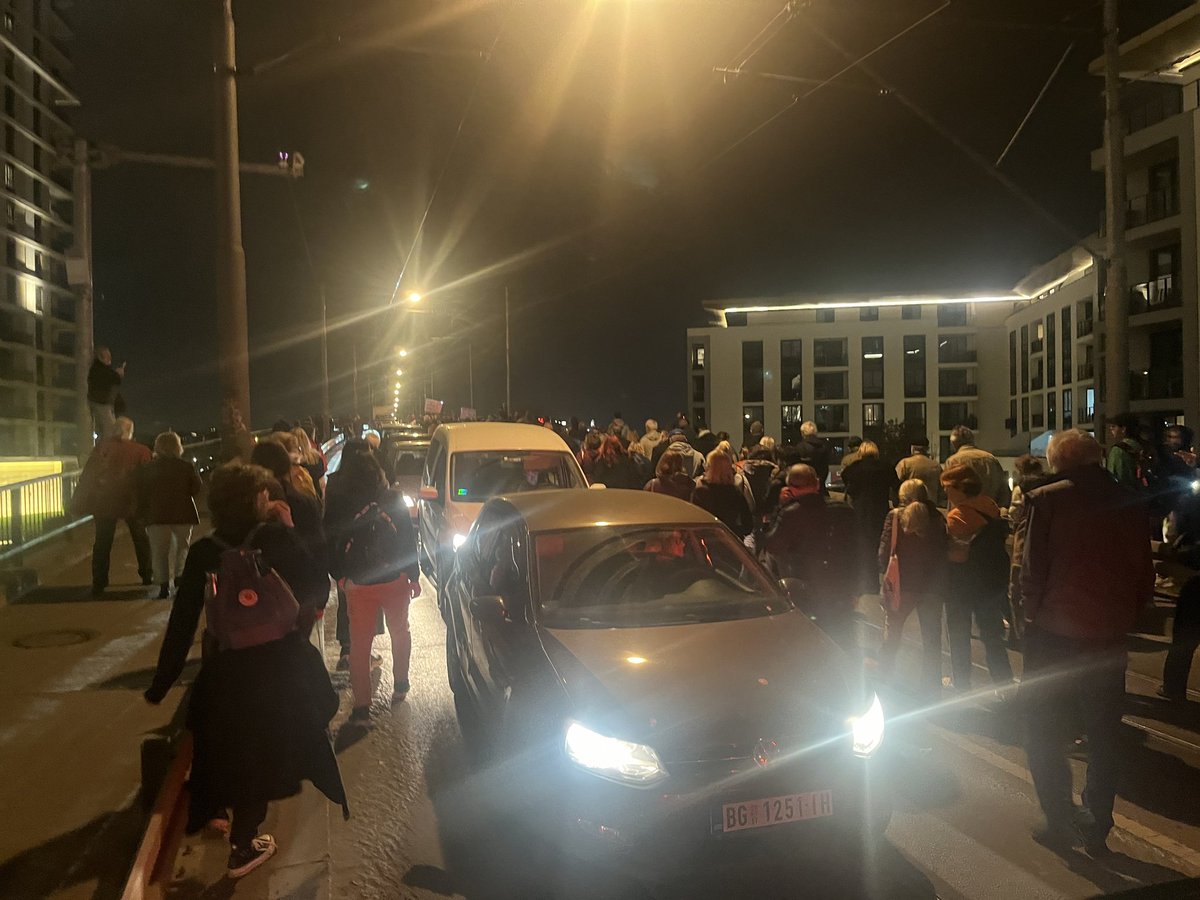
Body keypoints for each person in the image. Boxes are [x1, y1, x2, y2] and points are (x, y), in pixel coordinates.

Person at [144, 463, 348, 879]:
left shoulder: (204, 550)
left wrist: (162, 683)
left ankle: (219, 813)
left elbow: (182, 620)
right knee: (267, 747)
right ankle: (244, 842)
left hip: (226, 663)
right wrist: (289, 529)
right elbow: (316, 584)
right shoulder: (275, 537)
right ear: (258, 499)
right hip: (280, 661)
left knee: (224, 740)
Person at [1019, 429, 1154, 854]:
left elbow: (1031, 569)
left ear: (1058, 461)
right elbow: (1142, 569)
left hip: (1053, 633)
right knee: (1102, 731)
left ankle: (1058, 817)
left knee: (1042, 726)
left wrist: (1026, 615)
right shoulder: (1128, 499)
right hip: (1108, 633)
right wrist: (1130, 615)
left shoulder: (1046, 499)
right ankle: (1097, 823)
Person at [328, 450, 421, 722]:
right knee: (400, 631)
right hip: (395, 579)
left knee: (360, 644)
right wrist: (413, 576)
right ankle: (401, 684)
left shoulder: (339, 501)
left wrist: (340, 575)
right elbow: (407, 538)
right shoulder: (392, 498)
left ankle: (362, 707)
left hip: (359, 581)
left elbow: (330, 540)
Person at [761, 464, 859, 646]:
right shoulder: (844, 509)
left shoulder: (791, 514)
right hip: (840, 585)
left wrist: (779, 509)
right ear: (817, 484)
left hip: (804, 587)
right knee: (843, 638)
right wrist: (856, 586)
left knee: (809, 641)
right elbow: (856, 549)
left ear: (790, 488)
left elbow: (773, 546)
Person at [941, 464, 1014, 694]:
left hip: (962, 586)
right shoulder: (989, 506)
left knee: (959, 634)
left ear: (961, 488)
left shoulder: (958, 517)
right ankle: (1004, 684)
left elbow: (954, 554)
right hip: (990, 582)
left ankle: (961, 684)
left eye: (948, 488)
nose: (946, 493)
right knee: (992, 635)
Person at [877, 479, 947, 697]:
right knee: (932, 638)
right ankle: (931, 686)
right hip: (931, 587)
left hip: (902, 586)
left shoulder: (895, 517)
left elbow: (883, 554)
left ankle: (884, 678)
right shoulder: (937, 518)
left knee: (893, 633)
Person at [250, 441, 330, 632]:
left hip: (259, 599)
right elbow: (318, 552)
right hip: (300, 594)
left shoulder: (248, 509)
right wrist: (320, 598)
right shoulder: (304, 502)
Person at [74, 416, 152, 595]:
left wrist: (81, 500)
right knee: (141, 539)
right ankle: (147, 574)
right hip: (132, 500)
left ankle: (99, 581)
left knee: (102, 542)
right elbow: (148, 478)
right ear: (131, 432)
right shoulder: (141, 451)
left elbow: (89, 475)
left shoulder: (101, 448)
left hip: (104, 501)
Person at [138, 431, 202, 599]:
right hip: (183, 513)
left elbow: (141, 492)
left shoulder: (147, 468)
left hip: (156, 515)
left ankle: (163, 585)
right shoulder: (186, 467)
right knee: (182, 547)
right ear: (178, 447)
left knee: (159, 551)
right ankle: (180, 577)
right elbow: (196, 488)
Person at [841, 440, 898, 584]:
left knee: (864, 545)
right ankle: (883, 576)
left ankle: (867, 580)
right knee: (880, 542)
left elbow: (845, 479)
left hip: (861, 510)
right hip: (880, 509)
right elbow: (896, 484)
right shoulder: (886, 467)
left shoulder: (854, 468)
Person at [1006, 454, 1047, 643]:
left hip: (1023, 543)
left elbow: (1015, 514)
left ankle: (1018, 633)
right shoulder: (1049, 485)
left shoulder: (1021, 488)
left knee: (1017, 589)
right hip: (1046, 543)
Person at [691, 450, 753, 538]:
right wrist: (734, 531)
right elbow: (748, 526)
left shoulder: (700, 493)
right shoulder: (735, 493)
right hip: (731, 543)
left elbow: (694, 524)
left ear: (710, 468)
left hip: (707, 543)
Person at [945, 425, 1009, 506]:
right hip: (989, 511)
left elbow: (949, 491)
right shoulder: (991, 459)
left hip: (963, 513)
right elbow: (1003, 490)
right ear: (972, 440)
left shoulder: (953, 461)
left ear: (954, 444)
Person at [86, 345, 124, 439]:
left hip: (102, 403)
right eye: (107, 356)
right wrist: (118, 375)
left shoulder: (97, 369)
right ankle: (107, 451)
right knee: (110, 432)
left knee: (107, 430)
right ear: (100, 357)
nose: (109, 358)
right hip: (101, 404)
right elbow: (112, 378)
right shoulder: (99, 369)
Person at [1105, 412, 1149, 492]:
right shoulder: (1143, 446)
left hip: (1125, 496)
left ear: (1123, 429)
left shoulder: (1118, 450)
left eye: (1114, 426)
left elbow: (1114, 477)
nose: (1111, 429)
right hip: (1143, 493)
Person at [896, 437, 944, 506]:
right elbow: (942, 491)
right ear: (927, 449)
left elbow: (895, 486)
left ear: (912, 448)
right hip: (930, 507)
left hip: (909, 507)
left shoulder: (904, 464)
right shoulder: (936, 466)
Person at [796, 421, 832, 494]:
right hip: (820, 485)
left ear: (803, 433)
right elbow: (825, 468)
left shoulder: (800, 447)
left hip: (804, 486)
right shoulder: (824, 446)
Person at [293, 426, 327, 501]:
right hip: (317, 497)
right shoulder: (316, 457)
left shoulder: (295, 463)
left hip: (303, 501)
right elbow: (322, 483)